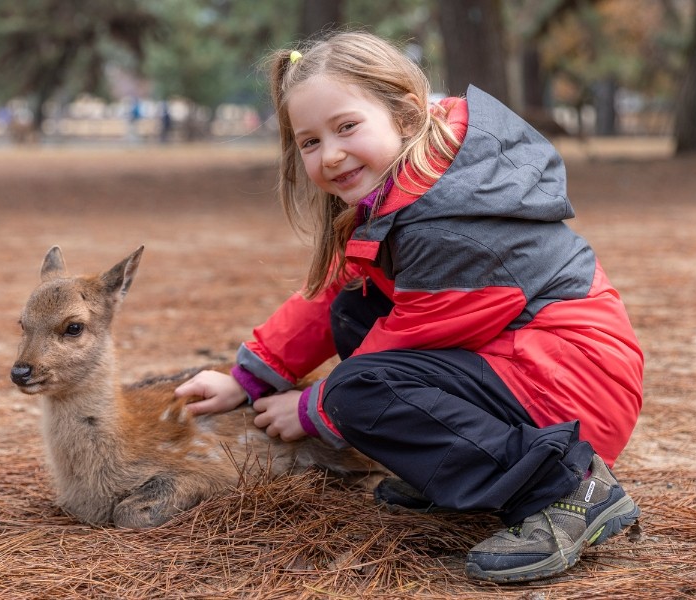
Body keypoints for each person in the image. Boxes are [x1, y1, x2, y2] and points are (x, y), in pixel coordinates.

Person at [174, 30, 643, 583]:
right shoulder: (417, 184)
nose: (332, 154)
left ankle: (565, 487)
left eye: (347, 127)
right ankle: (468, 469)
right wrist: (249, 378)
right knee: (353, 312)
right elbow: (336, 289)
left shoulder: (451, 222)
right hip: (529, 366)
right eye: (309, 141)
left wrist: (311, 409)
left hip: (572, 389)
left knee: (359, 392)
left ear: (404, 111)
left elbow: (407, 340)